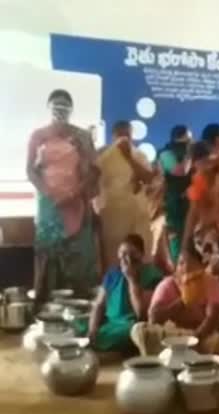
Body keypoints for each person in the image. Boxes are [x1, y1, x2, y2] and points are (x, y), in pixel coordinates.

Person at [26, 89, 100, 305]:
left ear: (71, 110)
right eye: (56, 106)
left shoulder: (82, 136)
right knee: (48, 258)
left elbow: (95, 170)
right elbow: (30, 171)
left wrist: (73, 193)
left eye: (64, 106)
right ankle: (44, 312)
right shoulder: (37, 136)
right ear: (48, 108)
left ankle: (82, 317)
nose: (60, 110)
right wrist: (50, 194)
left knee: (79, 260)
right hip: (49, 207)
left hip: (77, 203)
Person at [131, 245, 219, 367]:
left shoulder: (210, 282)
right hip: (172, 336)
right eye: (181, 263)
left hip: (201, 335)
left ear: (201, 267)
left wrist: (194, 338)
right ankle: (173, 358)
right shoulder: (167, 284)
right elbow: (153, 318)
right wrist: (182, 301)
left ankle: (186, 361)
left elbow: (212, 318)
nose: (185, 268)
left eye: (190, 264)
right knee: (139, 329)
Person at [80, 234, 163, 357]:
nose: (126, 258)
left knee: (135, 333)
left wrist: (131, 279)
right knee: (78, 323)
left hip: (129, 325)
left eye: (132, 253)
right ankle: (95, 343)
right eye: (123, 253)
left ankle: (99, 346)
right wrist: (92, 329)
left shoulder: (152, 274)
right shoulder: (113, 274)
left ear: (141, 255)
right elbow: (99, 305)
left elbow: (141, 312)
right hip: (110, 322)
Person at [94, 121, 154, 270]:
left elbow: (148, 178)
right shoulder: (103, 156)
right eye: (120, 135)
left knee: (139, 253)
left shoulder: (138, 155)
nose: (124, 138)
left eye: (127, 134)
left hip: (136, 215)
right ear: (113, 136)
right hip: (113, 215)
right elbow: (94, 183)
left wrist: (128, 157)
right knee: (114, 256)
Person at [154, 126, 194, 267]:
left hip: (189, 201)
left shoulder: (187, 152)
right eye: (188, 138)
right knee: (176, 238)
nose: (190, 141)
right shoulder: (166, 154)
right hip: (173, 203)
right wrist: (189, 154)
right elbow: (180, 171)